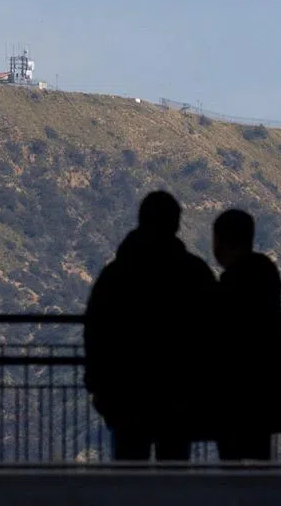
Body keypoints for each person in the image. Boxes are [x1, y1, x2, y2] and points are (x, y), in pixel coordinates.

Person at [83, 191, 218, 461]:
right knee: (175, 470)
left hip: (125, 393)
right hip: (180, 392)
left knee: (130, 471)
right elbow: (216, 331)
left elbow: (96, 332)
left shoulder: (116, 275)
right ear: (176, 224)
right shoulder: (194, 273)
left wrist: (98, 384)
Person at [212, 209, 281, 461]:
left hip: (236, 394)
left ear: (221, 242)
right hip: (268, 388)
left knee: (233, 461)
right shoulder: (266, 275)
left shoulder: (230, 285)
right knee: (259, 460)